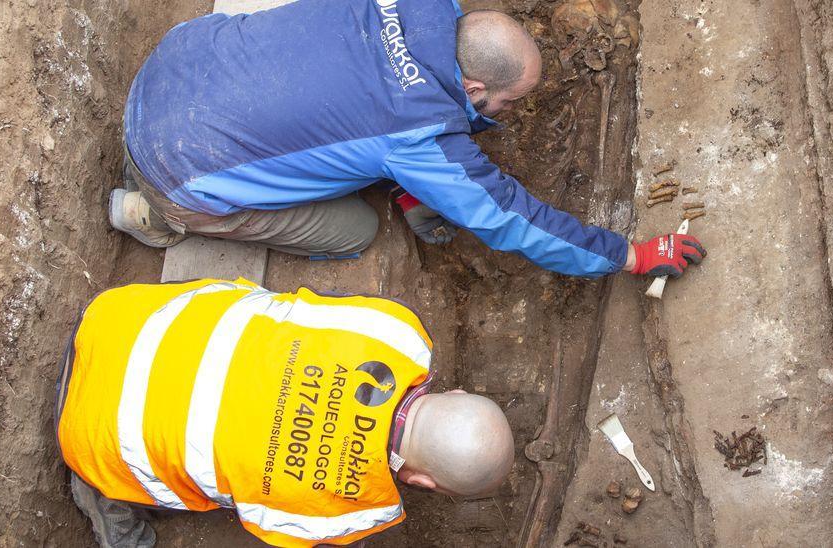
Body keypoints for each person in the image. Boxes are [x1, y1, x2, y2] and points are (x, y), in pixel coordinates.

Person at [108, 0, 706, 279]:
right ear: (473, 86)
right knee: (354, 231)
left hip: (175, 61)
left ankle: (405, 185)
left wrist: (414, 182)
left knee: (344, 115)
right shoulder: (424, 134)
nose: (510, 113)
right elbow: (508, 218)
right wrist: (627, 255)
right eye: (507, 102)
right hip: (175, 169)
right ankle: (156, 217)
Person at [56, 278, 515, 547]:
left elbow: (305, 302)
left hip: (122, 319)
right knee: (220, 486)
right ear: (423, 482)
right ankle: (103, 496)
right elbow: (260, 523)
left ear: (455, 392)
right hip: (89, 433)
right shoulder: (353, 513)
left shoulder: (399, 331)